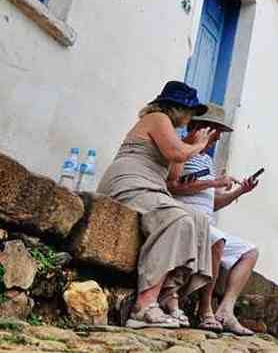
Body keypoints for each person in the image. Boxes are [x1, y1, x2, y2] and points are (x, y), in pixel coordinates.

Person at [96, 81, 214, 328]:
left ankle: (169, 294)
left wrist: (189, 143)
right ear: (177, 107)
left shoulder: (171, 131)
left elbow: (173, 176)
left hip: (153, 187)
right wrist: (198, 146)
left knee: (199, 220)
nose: (192, 117)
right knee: (175, 218)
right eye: (191, 111)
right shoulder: (157, 118)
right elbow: (176, 153)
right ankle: (143, 304)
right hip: (129, 182)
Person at [167, 103, 260, 335]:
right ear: (203, 127)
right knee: (218, 241)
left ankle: (225, 310)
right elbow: (174, 187)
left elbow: (213, 202)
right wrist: (214, 182)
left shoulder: (206, 160)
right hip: (187, 217)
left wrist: (240, 191)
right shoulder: (182, 149)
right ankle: (205, 308)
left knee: (249, 252)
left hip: (207, 221)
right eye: (216, 130)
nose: (218, 137)